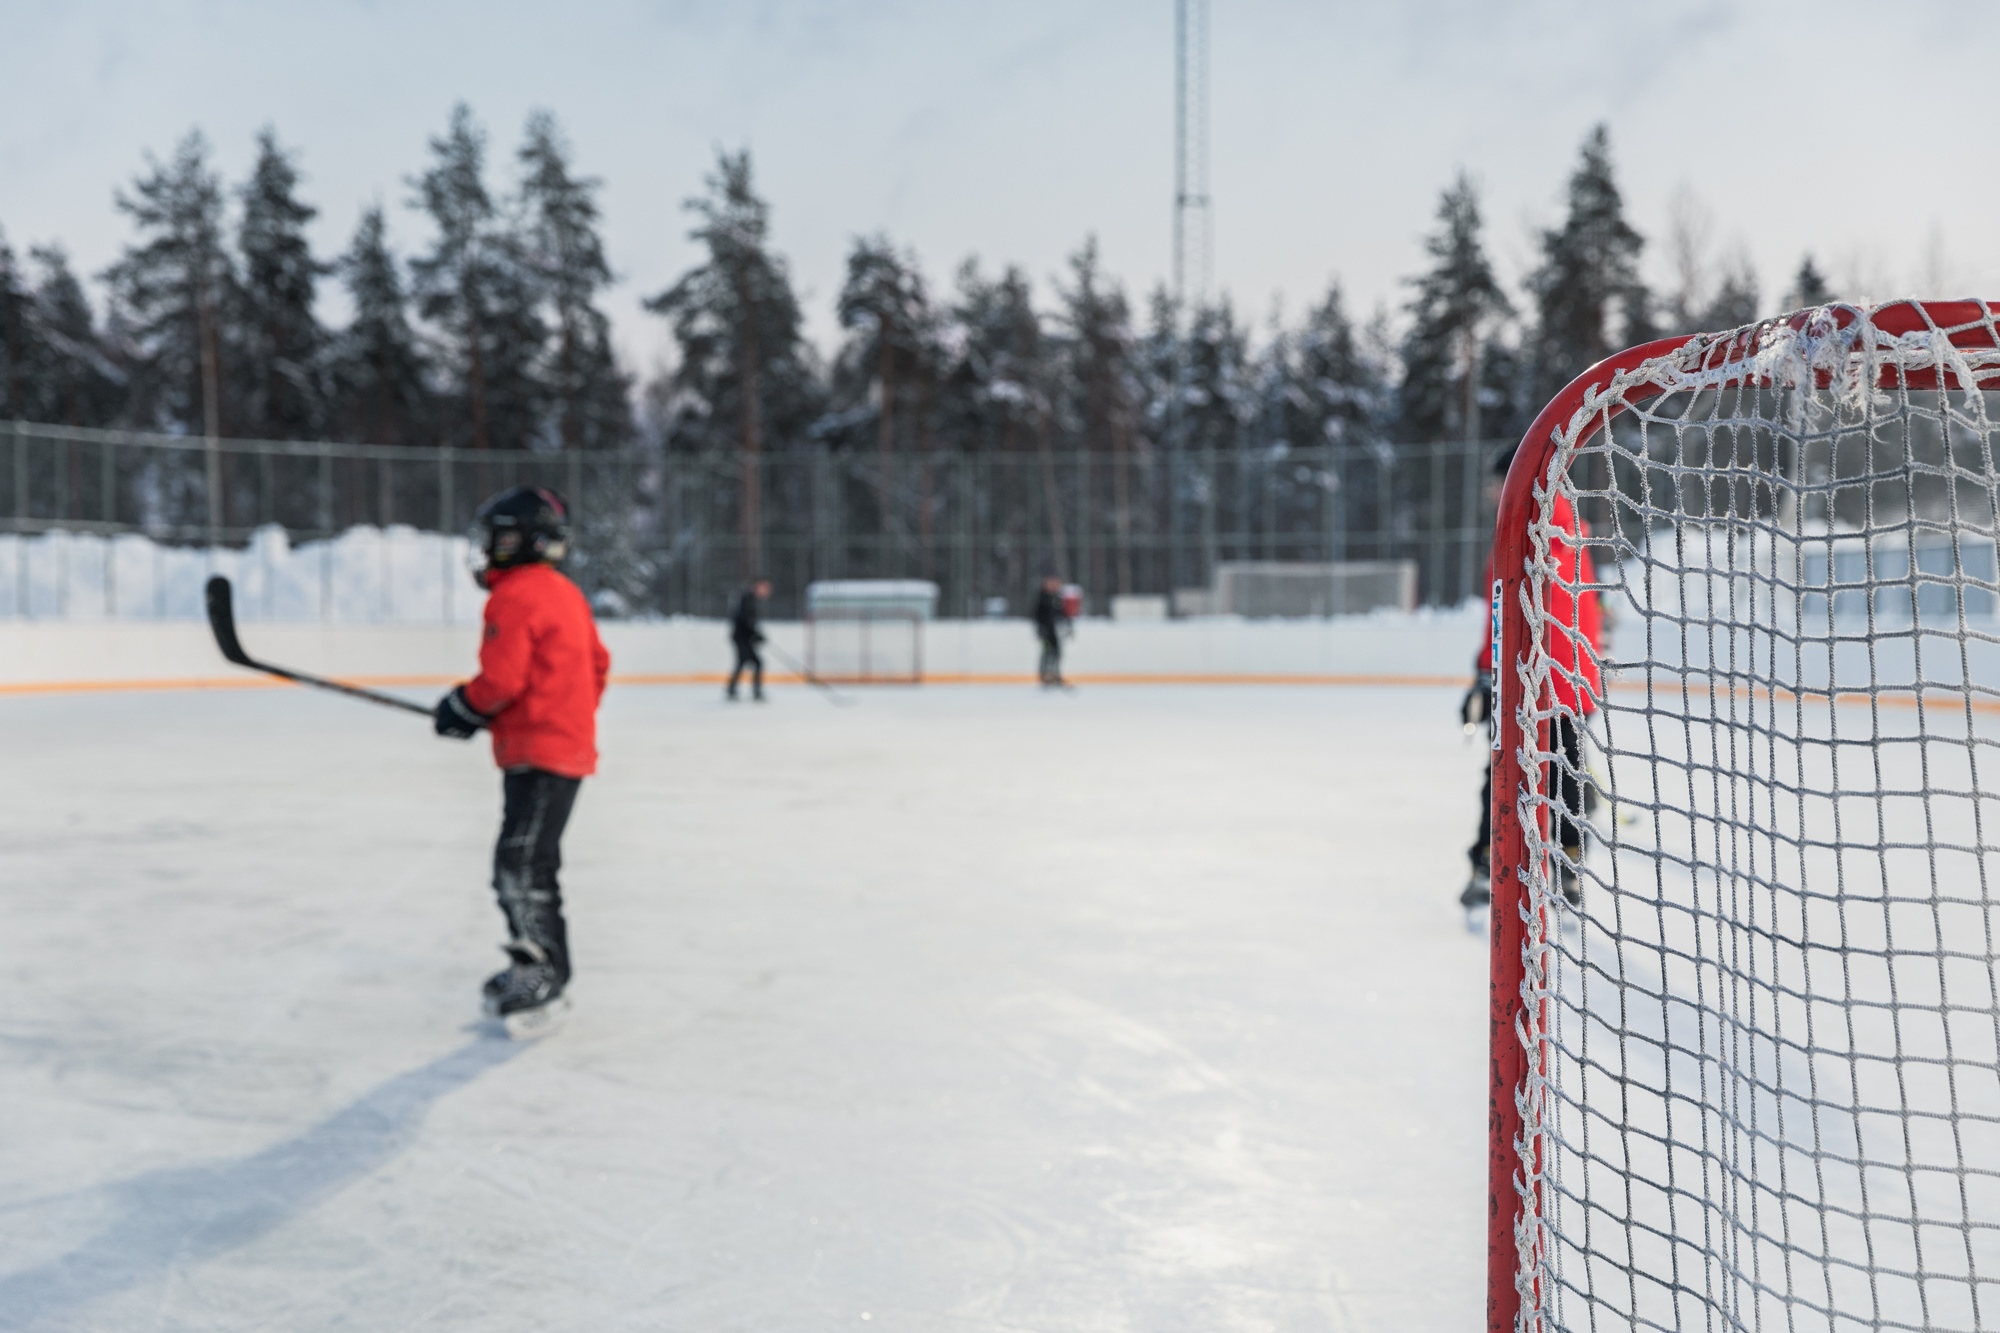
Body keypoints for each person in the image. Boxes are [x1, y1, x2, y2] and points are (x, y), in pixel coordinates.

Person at [434, 486, 610, 1026]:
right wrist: (563, 716)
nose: (489, 548)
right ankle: (542, 965)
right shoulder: (565, 593)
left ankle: (544, 972)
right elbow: (597, 666)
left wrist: (465, 706)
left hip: (539, 754)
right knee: (532, 862)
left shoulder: (514, 595)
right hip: (561, 748)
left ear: (521, 541)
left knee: (520, 866)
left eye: (498, 537)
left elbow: (504, 679)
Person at [1463, 447, 1602, 914]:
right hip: (1563, 678)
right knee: (1561, 773)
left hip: (1539, 679)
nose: (1490, 493)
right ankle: (1566, 860)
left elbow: (1514, 611)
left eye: (1497, 482)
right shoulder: (1560, 523)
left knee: (1513, 772)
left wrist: (1489, 673)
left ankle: (1497, 862)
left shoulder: (1529, 528)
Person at [727, 579, 772, 701]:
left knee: (743, 663)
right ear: (758, 586)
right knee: (756, 663)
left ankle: (732, 690)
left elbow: (747, 622)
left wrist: (755, 634)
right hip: (742, 638)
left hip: (743, 637)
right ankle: (754, 692)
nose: (767, 591)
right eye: (765, 588)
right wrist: (754, 634)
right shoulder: (748, 599)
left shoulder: (750, 599)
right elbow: (743, 620)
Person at [1032, 575, 1071, 688]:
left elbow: (1063, 614)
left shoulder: (1057, 598)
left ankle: (1055, 674)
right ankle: (1045, 675)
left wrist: (1067, 626)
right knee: (1047, 652)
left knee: (1057, 652)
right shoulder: (1042, 597)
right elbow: (1037, 615)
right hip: (1046, 632)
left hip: (1054, 631)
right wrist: (1041, 628)